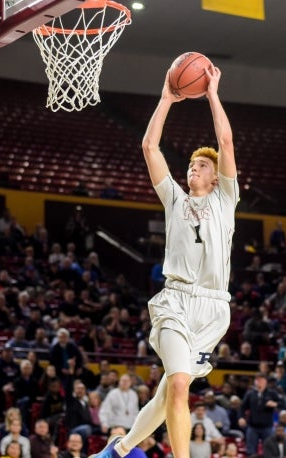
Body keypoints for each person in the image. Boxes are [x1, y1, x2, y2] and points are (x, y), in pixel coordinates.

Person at [91, 60, 237, 458]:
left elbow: (225, 143)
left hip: (213, 309)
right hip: (176, 300)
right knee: (177, 386)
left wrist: (212, 94)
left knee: (167, 394)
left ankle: (117, 450)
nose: (194, 167)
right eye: (191, 164)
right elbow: (149, 147)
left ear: (214, 176)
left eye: (201, 166)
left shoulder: (227, 201)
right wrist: (165, 99)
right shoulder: (174, 199)